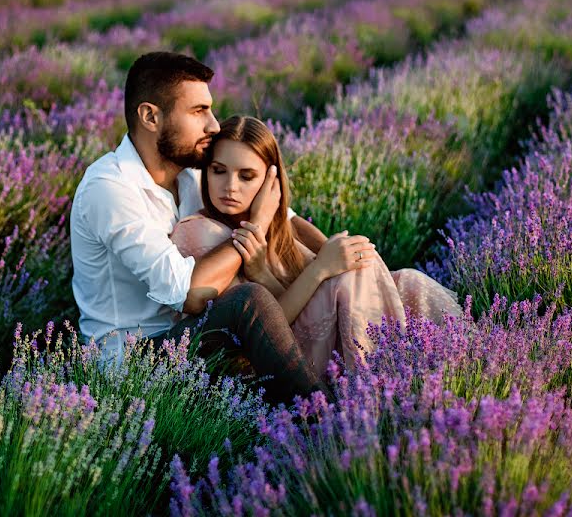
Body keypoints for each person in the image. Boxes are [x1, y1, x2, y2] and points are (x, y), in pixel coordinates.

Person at [70, 51, 341, 404]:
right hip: (135, 362)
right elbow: (190, 294)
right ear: (151, 116)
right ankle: (322, 418)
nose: (214, 125)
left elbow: (283, 215)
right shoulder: (110, 188)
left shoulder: (189, 174)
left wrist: (334, 256)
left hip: (192, 337)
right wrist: (255, 225)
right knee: (248, 301)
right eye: (199, 111)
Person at [170, 115, 464, 379]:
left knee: (406, 279)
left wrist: (266, 271)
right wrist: (321, 267)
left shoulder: (275, 224)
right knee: (349, 274)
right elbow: (262, 327)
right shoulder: (203, 231)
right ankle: (380, 382)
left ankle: (463, 364)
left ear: (270, 181)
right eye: (218, 171)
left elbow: (295, 289)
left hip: (310, 331)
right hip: (277, 355)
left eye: (246, 176)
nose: (230, 186)